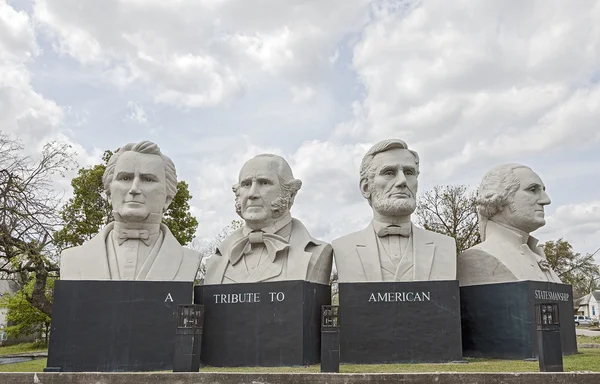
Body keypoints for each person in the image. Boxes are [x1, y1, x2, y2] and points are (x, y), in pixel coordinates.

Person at [60, 140, 201, 281]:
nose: (134, 188)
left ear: (168, 198)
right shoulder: (73, 259)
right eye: (125, 178)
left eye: (148, 179)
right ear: (109, 193)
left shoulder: (188, 260)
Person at [332, 139, 456, 283]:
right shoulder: (344, 248)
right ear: (366, 188)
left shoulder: (444, 246)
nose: (402, 181)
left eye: (409, 172)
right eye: (389, 172)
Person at [203, 154, 332, 285]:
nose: (252, 194)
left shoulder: (317, 253)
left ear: (291, 194)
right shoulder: (218, 258)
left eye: (264, 183)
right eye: (246, 184)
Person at [458, 163, 561, 286]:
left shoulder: (535, 254)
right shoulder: (478, 257)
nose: (546, 200)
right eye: (532, 190)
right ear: (500, 198)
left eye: (543, 191)